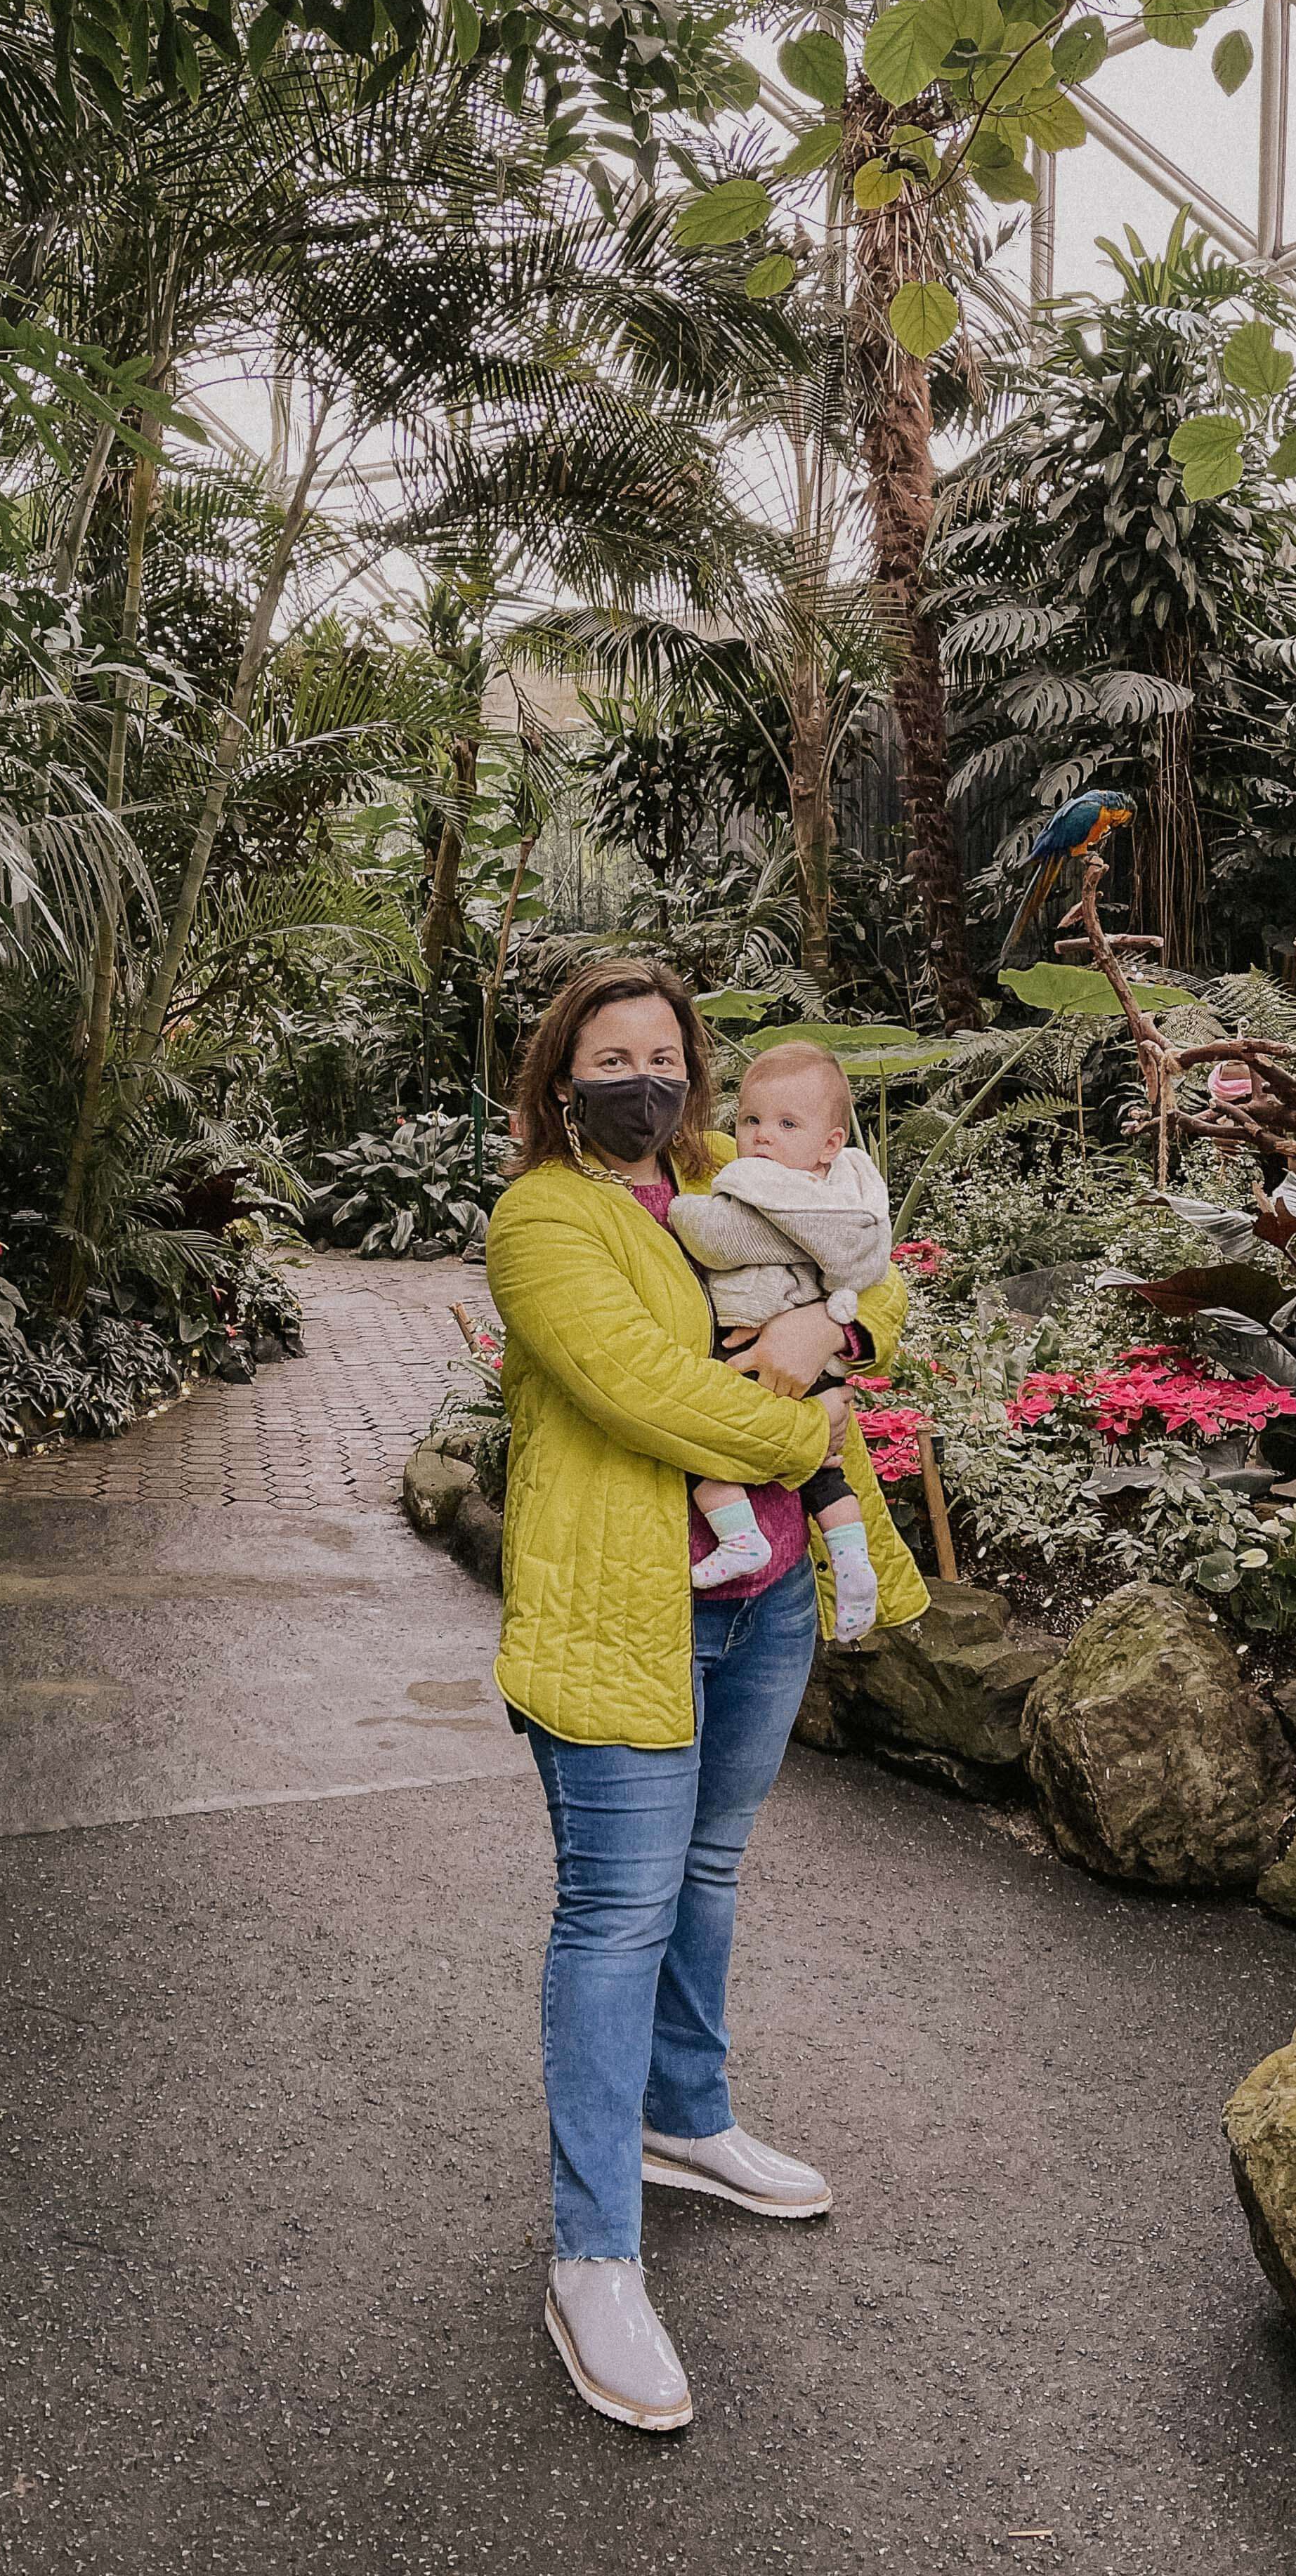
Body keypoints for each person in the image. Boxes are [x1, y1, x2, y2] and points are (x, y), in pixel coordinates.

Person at [485, 958, 926, 2433]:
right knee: (614, 1914)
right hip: (628, 1618)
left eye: (663, 1053)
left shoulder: (735, 1168)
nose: (642, 1079)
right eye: (610, 1056)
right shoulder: (546, 1217)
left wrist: (839, 1332)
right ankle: (594, 2254)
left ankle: (688, 2119)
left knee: (713, 1872)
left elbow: (886, 1272)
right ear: (563, 1078)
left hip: (766, 1599)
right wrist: (802, 1415)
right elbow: (641, 1393)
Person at [668, 1040, 893, 1638]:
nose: (763, 1137)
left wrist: (826, 1327)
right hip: (808, 1383)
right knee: (825, 1472)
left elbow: (714, 1235)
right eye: (751, 1121)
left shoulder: (747, 1182)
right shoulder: (847, 1197)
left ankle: (741, 1537)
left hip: (751, 1353)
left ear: (831, 1143)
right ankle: (853, 1565)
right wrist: (815, 1422)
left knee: (711, 1459)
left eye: (786, 1124)